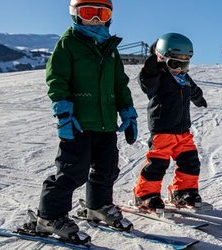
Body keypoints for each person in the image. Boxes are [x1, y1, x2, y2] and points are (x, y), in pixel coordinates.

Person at [26, 0, 136, 243]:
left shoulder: (110, 48)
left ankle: (98, 206)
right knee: (72, 171)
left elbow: (120, 84)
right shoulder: (68, 44)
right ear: (75, 15)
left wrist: (127, 111)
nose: (95, 20)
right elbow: (57, 79)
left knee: (107, 169)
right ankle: (49, 216)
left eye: (101, 13)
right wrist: (64, 113)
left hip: (106, 123)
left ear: (109, 17)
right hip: (79, 122)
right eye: (88, 13)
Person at [132, 33, 208, 211]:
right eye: (175, 63)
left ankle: (183, 192)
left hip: (183, 131)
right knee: (158, 164)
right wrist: (152, 68)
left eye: (185, 64)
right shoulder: (158, 76)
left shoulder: (183, 77)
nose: (180, 68)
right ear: (162, 59)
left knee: (190, 162)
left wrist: (198, 98)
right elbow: (146, 83)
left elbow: (193, 89)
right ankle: (145, 195)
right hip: (163, 129)